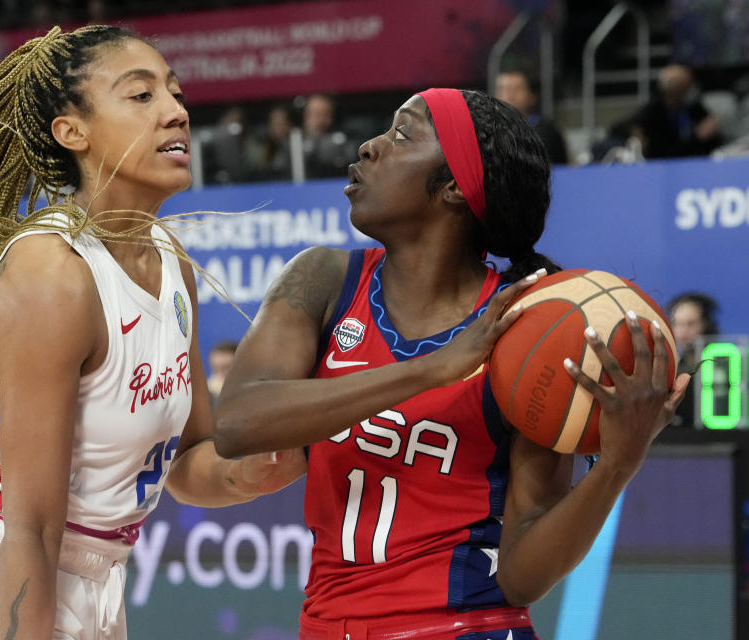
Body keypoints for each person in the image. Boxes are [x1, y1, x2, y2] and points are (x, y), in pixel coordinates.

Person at [214, 88, 690, 639]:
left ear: (454, 188)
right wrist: (432, 368)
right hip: (328, 626)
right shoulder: (323, 278)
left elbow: (521, 578)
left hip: (467, 626)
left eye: (401, 134)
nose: (368, 147)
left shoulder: (526, 328)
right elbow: (236, 422)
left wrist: (615, 468)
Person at [0, 25, 304, 639]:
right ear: (71, 132)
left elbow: (186, 461)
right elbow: (33, 525)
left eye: (176, 94)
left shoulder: (170, 261)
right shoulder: (53, 273)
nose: (175, 112)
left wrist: (255, 471)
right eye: (141, 96)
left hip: (97, 578)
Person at [615, 64, 722, 159]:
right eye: (686, 86)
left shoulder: (694, 107)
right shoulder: (653, 113)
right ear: (673, 90)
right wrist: (696, 137)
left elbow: (713, 139)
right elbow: (665, 153)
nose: (691, 90)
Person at [668, 291, 720, 427]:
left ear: (706, 325)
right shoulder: (671, 370)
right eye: (678, 324)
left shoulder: (725, 367)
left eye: (691, 324)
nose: (683, 331)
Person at [495, 68, 568, 164]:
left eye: (517, 89)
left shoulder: (546, 130)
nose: (510, 95)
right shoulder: (488, 130)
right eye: (504, 89)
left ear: (532, 96)